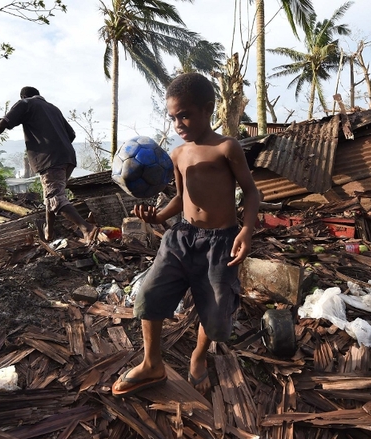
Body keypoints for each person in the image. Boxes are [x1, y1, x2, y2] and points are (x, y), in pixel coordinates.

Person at [111, 73, 260, 397]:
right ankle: (152, 363)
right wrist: (157, 216)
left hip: (221, 242)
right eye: (173, 117)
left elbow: (251, 192)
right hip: (181, 237)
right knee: (149, 294)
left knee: (217, 308)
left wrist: (247, 230)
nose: (178, 123)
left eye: (185, 114)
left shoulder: (226, 147)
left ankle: (198, 356)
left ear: (208, 109)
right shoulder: (177, 154)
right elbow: (180, 198)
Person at [0, 86, 95, 242]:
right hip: (68, 157)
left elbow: (3, 123)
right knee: (51, 196)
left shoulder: (25, 104)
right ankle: (49, 233)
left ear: (23, 96)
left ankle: (87, 229)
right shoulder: (54, 109)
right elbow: (71, 134)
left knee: (55, 197)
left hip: (50, 159)